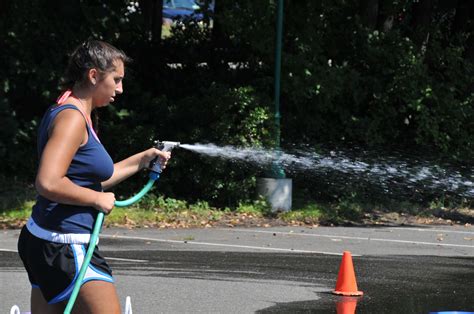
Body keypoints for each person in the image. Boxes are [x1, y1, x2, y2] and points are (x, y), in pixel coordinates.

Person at [17, 40, 171, 313]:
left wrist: (143, 159)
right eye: (116, 80)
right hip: (64, 245)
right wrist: (95, 199)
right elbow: (48, 182)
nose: (120, 89)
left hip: (46, 240)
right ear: (93, 75)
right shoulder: (72, 117)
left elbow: (95, 176)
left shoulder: (72, 110)